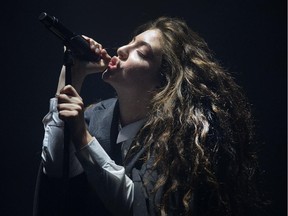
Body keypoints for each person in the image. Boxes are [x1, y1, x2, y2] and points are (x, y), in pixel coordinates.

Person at [33, 16, 265, 216]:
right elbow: (55, 170)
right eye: (131, 42)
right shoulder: (94, 116)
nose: (122, 49)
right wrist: (73, 74)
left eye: (141, 52)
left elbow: (142, 206)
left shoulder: (178, 141)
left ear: (164, 83)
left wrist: (83, 139)